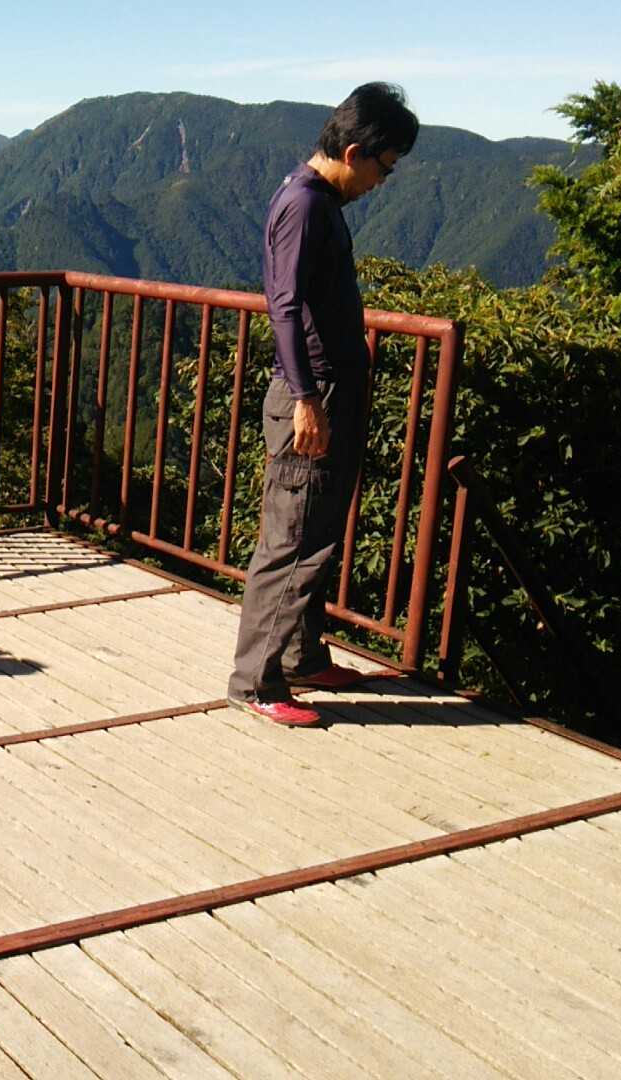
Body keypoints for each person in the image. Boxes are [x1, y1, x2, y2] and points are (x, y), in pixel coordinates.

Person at [227, 82, 419, 727]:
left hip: (328, 389)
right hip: (312, 394)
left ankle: (303, 657)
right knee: (293, 541)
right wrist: (307, 397)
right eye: (384, 167)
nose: (382, 183)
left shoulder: (315, 200)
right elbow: (282, 305)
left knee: (316, 532)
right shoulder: (306, 205)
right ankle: (256, 682)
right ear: (356, 151)